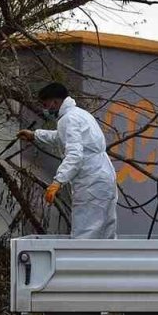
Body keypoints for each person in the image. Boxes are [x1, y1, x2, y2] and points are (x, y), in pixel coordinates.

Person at [17, 83, 118, 239]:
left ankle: (81, 264)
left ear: (55, 102)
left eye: (45, 105)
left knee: (86, 233)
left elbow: (74, 154)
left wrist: (58, 181)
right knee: (105, 233)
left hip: (90, 181)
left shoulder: (68, 119)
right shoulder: (80, 114)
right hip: (102, 176)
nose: (45, 109)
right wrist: (35, 135)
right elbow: (61, 137)